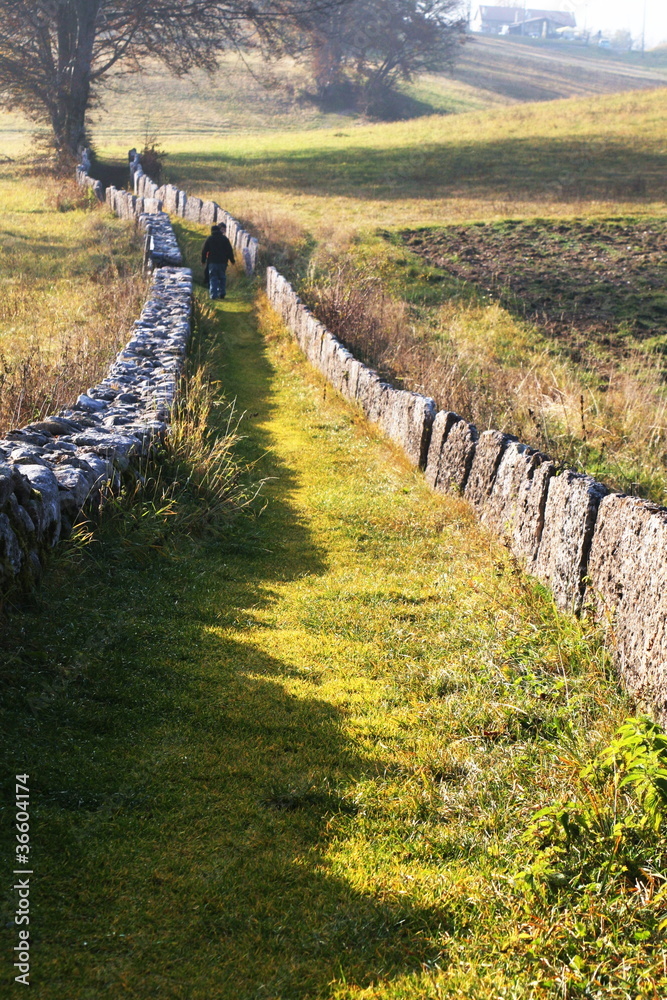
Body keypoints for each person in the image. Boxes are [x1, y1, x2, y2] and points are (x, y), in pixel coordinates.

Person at [201, 224, 235, 300]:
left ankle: (213, 294)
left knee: (213, 278)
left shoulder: (210, 239)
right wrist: (232, 260)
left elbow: (204, 251)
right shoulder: (225, 239)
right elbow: (229, 251)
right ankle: (222, 293)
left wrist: (203, 261)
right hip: (223, 262)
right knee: (222, 277)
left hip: (212, 262)